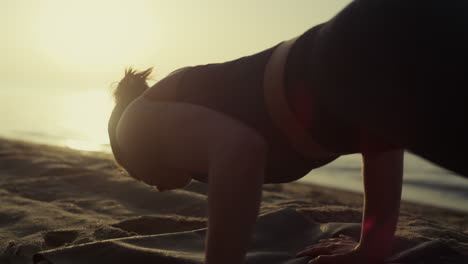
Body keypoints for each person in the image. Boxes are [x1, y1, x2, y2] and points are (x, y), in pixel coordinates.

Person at [108, 0, 468, 263]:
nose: (152, 186)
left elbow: (240, 150)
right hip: (377, 38)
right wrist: (370, 249)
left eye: (132, 172)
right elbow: (381, 138)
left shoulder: (131, 127)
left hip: (367, 43)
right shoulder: (192, 111)